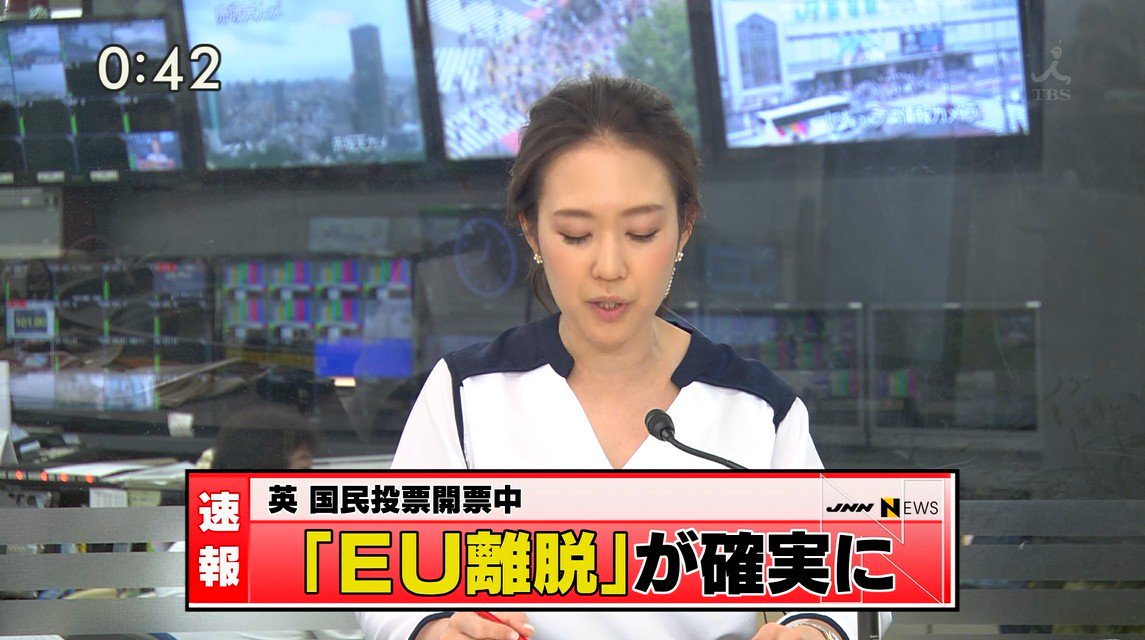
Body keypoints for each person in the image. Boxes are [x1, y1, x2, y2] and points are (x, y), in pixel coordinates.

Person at [357, 75, 861, 640]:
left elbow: (843, 580)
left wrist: (816, 630)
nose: (610, 267)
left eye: (641, 233)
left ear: (684, 228)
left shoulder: (759, 410)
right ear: (531, 231)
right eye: (576, 235)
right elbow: (383, 580)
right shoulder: (465, 393)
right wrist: (431, 630)